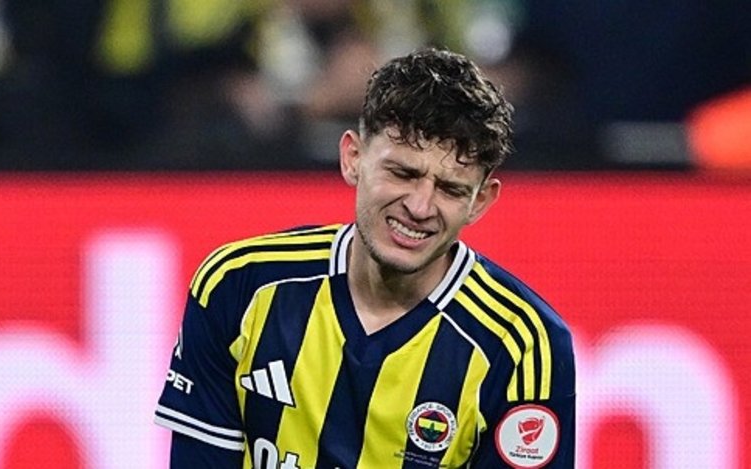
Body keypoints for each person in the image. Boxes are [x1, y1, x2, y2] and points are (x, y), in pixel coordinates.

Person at [154, 47, 575, 468]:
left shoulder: (522, 344)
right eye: (403, 173)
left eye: (450, 189)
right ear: (353, 158)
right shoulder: (240, 286)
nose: (420, 207)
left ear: (480, 202)